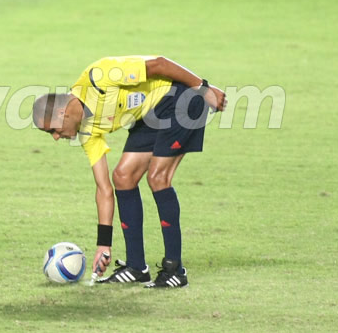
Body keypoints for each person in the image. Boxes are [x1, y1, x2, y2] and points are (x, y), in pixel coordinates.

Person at [33, 56, 226, 288]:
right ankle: (136, 267)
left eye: (52, 130)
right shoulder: (86, 132)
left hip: (179, 100)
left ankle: (175, 270)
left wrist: (202, 88)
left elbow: (159, 64)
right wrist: (103, 245)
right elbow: (103, 188)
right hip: (149, 116)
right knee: (122, 178)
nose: (55, 137)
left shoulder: (99, 77)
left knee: (158, 178)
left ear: (62, 113)